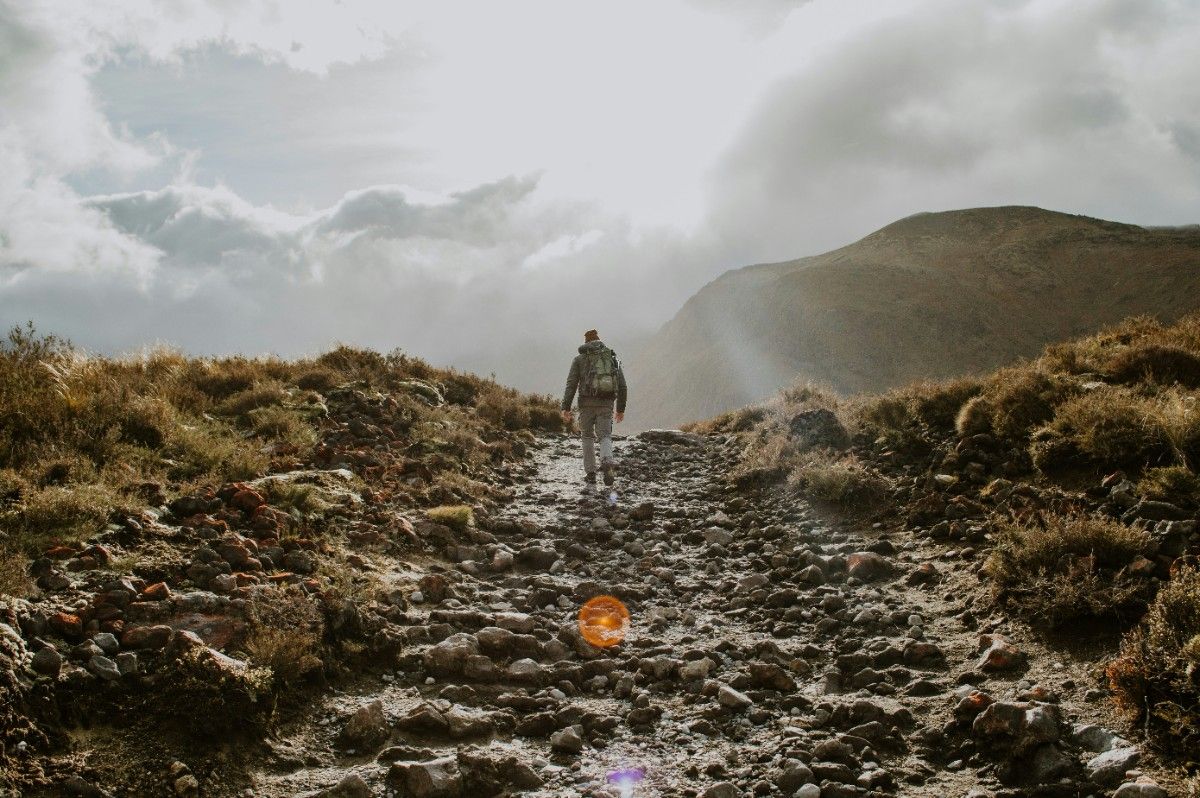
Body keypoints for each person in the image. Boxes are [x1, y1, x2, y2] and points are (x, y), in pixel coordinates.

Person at [560, 329, 628, 485]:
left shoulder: (579, 359)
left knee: (587, 436)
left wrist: (566, 407)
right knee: (605, 436)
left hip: (586, 404)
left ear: (586, 343)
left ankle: (591, 474)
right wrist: (620, 409)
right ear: (599, 341)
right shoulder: (611, 357)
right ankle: (607, 463)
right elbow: (623, 386)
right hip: (606, 403)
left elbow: (571, 384)